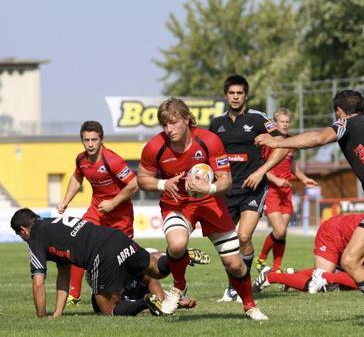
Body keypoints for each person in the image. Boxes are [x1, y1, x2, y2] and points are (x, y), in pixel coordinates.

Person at [255, 89, 364, 326]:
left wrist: (276, 141)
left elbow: (317, 138)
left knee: (349, 261)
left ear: (339, 111)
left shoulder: (346, 124)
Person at [137, 97, 268, 320]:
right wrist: (163, 184)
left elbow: (226, 181)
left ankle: (249, 305)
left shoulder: (209, 140)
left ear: (187, 119)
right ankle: (178, 288)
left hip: (210, 203)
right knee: (177, 244)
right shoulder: (154, 147)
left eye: (174, 123)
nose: (169, 129)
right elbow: (142, 179)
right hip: (176, 203)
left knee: (234, 264)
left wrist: (208, 188)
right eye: (164, 125)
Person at [10, 208, 175, 317]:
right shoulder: (53, 224)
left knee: (108, 310)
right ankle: (178, 255)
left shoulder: (35, 239)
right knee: (155, 269)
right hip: (117, 237)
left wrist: (41, 317)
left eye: (20, 235)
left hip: (102, 253)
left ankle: (145, 301)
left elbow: (38, 283)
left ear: (23, 231)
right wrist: (57, 314)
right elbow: (64, 273)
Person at [209, 74, 288, 301]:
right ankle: (234, 283)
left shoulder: (258, 119)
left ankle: (238, 288)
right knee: (226, 242)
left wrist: (261, 171)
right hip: (226, 190)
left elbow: (282, 145)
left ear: (246, 95)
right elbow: (207, 153)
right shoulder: (217, 124)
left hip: (253, 189)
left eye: (239, 93)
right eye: (231, 93)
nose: (235, 97)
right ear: (226, 96)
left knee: (243, 236)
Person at [57, 121, 138, 306]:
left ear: (102, 140)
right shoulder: (81, 160)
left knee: (123, 258)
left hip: (120, 216)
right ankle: (74, 294)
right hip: (97, 212)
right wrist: (65, 201)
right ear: (82, 141)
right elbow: (77, 178)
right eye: (87, 140)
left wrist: (113, 203)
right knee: (77, 242)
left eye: (94, 139)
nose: (91, 144)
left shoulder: (113, 160)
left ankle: (142, 285)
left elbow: (134, 184)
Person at [254, 214, 364, 294]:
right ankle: (271, 276)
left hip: (347, 237)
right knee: (323, 281)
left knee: (348, 276)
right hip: (332, 233)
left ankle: (289, 274)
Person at [256, 108, 317, 273]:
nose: (285, 124)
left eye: (287, 122)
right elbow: (260, 167)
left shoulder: (290, 141)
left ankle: (276, 268)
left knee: (283, 233)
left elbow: (292, 164)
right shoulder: (270, 141)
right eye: (282, 121)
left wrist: (304, 178)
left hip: (286, 192)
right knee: (280, 230)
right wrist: (276, 180)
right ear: (275, 123)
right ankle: (260, 259)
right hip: (271, 191)